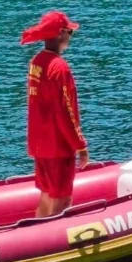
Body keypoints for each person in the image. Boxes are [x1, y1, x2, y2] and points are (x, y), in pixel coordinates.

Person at [20, 11, 89, 218]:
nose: (70, 37)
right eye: (69, 32)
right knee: (62, 198)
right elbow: (66, 112)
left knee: (46, 194)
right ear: (60, 34)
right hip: (58, 146)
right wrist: (80, 145)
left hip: (40, 145)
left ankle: (36, 234)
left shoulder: (36, 62)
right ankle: (52, 240)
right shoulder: (59, 68)